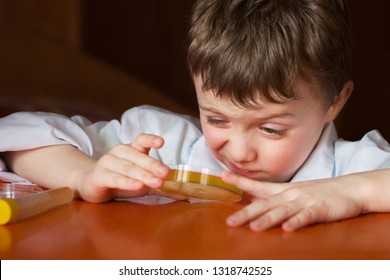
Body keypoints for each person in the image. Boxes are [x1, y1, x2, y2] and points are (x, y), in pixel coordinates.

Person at [0, 0, 389, 231]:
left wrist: (353, 192)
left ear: (335, 102)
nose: (238, 151)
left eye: (271, 128)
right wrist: (82, 175)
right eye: (217, 119)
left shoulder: (354, 167)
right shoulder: (161, 145)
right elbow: (18, 135)